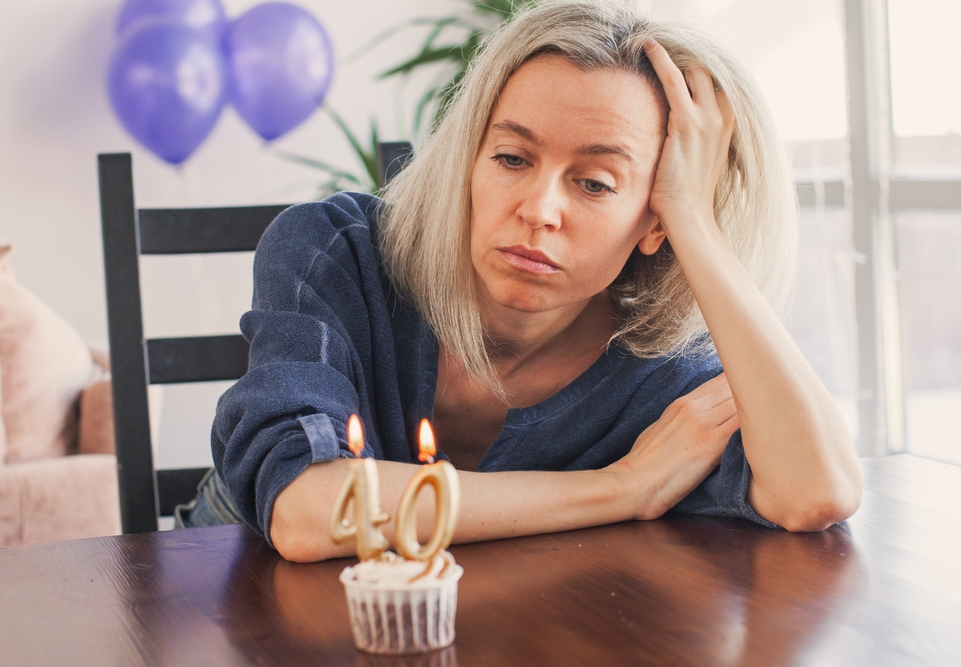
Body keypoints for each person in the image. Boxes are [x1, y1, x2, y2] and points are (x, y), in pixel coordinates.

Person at [207, 0, 863, 562]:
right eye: (512, 157)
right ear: (470, 158)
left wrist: (696, 219)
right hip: (227, 589)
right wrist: (622, 487)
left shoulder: (662, 371)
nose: (539, 209)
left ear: (653, 221)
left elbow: (818, 490)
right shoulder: (337, 251)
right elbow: (308, 510)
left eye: (595, 183)